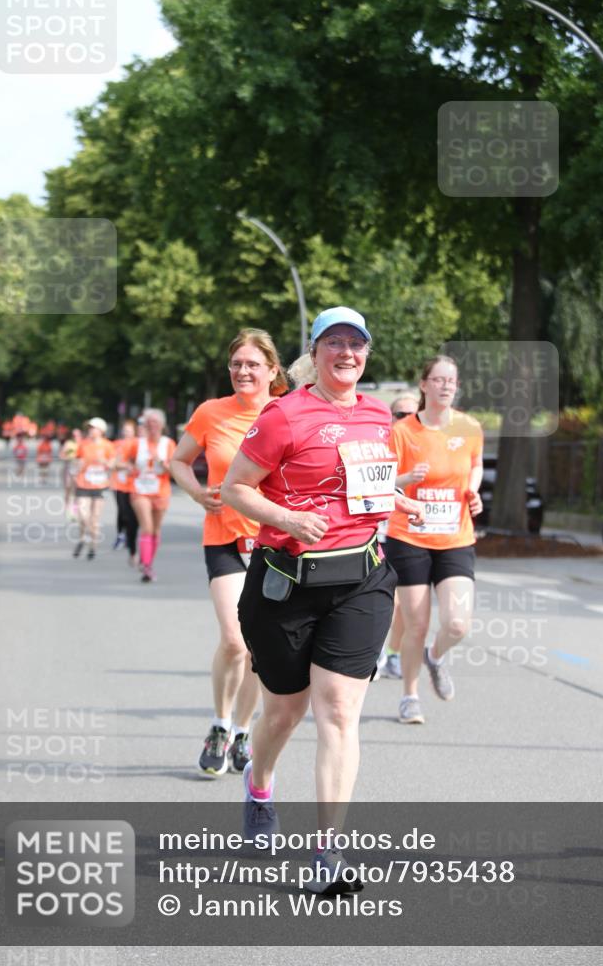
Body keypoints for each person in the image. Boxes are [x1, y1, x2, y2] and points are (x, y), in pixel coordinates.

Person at [221, 307, 424, 893]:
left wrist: (393, 500)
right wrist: (285, 516)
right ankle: (259, 784)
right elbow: (236, 486)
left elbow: (364, 480)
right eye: (333, 343)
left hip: (360, 579)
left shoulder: (376, 412)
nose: (346, 354)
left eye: (355, 344)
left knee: (337, 710)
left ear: (366, 354)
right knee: (284, 711)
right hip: (286, 582)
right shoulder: (283, 415)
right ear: (314, 353)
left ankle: (327, 852)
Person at [171, 330, 288, 777]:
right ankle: (219, 725)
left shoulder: (282, 414)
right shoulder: (211, 412)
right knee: (235, 639)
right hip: (224, 538)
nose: (242, 371)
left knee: (260, 648)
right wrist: (199, 494)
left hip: (272, 542)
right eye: (236, 363)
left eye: (252, 364)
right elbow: (179, 460)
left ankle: (243, 730)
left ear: (272, 370)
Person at [384, 355, 483, 726]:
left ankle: (436, 657)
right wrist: (408, 477)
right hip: (409, 536)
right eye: (438, 380)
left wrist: (473, 492)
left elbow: (475, 464)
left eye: (451, 381)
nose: (445, 386)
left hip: (455, 537)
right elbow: (383, 480)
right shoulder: (403, 431)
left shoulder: (470, 427)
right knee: (416, 624)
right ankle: (410, 695)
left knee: (458, 624)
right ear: (423, 385)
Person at [377, 391, 420, 679]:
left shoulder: (424, 443)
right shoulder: (381, 445)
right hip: (380, 531)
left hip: (411, 534)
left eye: (410, 414)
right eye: (399, 414)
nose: (404, 419)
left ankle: (392, 653)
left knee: (405, 603)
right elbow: (380, 483)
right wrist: (409, 478)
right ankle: (376, 650)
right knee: (387, 600)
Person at [119, 408, 176, 583]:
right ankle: (145, 565)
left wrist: (161, 461)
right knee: (147, 527)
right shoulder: (137, 443)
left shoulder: (168, 444)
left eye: (155, 422)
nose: (152, 426)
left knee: (156, 530)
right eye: (148, 423)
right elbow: (120, 461)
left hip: (161, 490)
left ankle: (149, 563)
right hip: (140, 489)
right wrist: (128, 467)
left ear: (162, 425)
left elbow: (175, 470)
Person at [73, 418, 115, 560]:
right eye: (89, 428)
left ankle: (93, 546)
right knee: (83, 516)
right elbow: (77, 460)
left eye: (93, 428)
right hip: (83, 483)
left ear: (101, 430)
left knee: (95, 518)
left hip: (100, 485)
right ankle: (83, 537)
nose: (91, 430)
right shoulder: (83, 444)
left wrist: (106, 462)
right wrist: (78, 466)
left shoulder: (108, 446)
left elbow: (113, 463)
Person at [111, 420, 139, 562]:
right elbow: (113, 463)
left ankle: (130, 536)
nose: (127, 432)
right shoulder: (117, 444)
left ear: (134, 431)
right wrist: (124, 466)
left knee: (132, 513)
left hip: (135, 484)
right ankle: (120, 535)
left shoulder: (138, 443)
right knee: (122, 511)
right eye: (125, 430)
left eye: (129, 430)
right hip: (119, 483)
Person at [59, 428, 82, 519]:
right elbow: (61, 455)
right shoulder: (69, 444)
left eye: (78, 435)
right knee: (68, 489)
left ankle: (75, 511)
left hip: (79, 471)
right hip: (68, 469)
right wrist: (68, 457)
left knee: (77, 491)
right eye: (74, 435)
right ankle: (67, 508)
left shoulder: (83, 444)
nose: (76, 437)